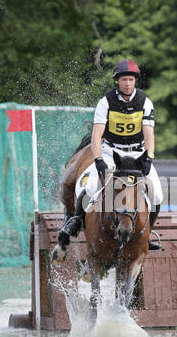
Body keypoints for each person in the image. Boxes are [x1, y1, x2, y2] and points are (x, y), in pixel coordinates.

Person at [61, 59, 163, 251]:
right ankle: (74, 220)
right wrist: (98, 159)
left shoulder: (145, 101)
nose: (127, 83)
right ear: (118, 81)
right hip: (111, 151)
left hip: (137, 152)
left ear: (135, 81)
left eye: (131, 80)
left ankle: (147, 234)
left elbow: (149, 133)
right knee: (91, 186)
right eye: (124, 79)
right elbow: (97, 133)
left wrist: (148, 157)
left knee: (157, 193)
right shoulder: (106, 101)